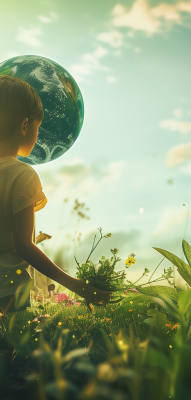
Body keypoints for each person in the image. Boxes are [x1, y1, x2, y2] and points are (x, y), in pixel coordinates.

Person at [0, 75, 111, 314]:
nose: (38, 135)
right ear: (23, 126)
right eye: (37, 128)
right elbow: (23, 245)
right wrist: (75, 285)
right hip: (8, 289)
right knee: (12, 349)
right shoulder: (21, 174)